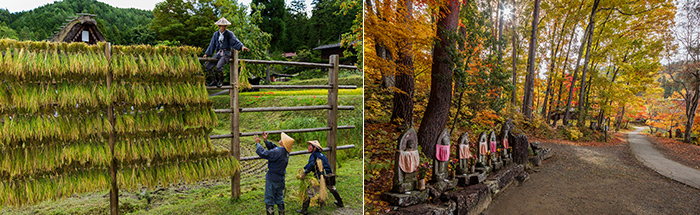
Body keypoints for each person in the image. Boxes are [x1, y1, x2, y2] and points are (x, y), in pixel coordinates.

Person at [296, 140, 344, 214]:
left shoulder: (314, 155)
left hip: (320, 177)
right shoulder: (322, 155)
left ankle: (304, 210)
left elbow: (311, 165)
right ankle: (340, 202)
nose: (308, 147)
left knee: (308, 192)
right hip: (328, 176)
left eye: (310, 146)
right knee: (332, 188)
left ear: (315, 148)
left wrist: (305, 173)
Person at [203, 17, 250, 87]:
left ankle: (221, 81)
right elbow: (212, 44)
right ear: (219, 26)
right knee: (208, 66)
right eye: (222, 26)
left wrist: (241, 46)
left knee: (218, 67)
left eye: (225, 26)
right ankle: (214, 80)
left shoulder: (229, 34)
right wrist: (207, 53)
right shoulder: (215, 34)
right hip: (218, 53)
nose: (224, 27)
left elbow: (235, 41)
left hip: (226, 53)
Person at [255, 131, 294, 215]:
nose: (280, 139)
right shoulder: (285, 152)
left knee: (269, 198)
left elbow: (263, 153)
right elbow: (274, 148)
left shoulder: (278, 151)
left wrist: (258, 143)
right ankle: (281, 213)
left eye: (281, 139)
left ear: (283, 143)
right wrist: (266, 141)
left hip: (272, 178)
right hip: (280, 179)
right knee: (279, 198)